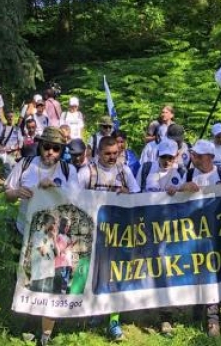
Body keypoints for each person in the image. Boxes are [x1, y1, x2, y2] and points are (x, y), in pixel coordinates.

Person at [5, 126, 78, 346]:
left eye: (56, 149)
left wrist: (54, 187)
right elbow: (6, 193)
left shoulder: (67, 171)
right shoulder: (26, 165)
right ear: (40, 146)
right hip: (25, 233)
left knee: (53, 282)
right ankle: (28, 321)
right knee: (28, 280)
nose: (51, 153)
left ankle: (45, 334)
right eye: (47, 147)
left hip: (55, 240)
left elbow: (76, 201)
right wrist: (17, 193)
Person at [78, 136, 139, 341]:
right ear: (98, 153)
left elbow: (140, 197)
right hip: (92, 232)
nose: (113, 157)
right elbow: (71, 196)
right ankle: (94, 310)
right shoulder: (87, 172)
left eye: (116, 153)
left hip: (118, 233)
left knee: (116, 274)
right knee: (93, 273)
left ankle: (114, 320)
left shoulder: (125, 171)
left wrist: (128, 192)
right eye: (108, 154)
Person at [172, 140, 221, 337]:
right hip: (193, 235)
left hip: (217, 236)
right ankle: (197, 309)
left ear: (210, 157)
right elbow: (172, 197)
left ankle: (213, 318)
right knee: (196, 269)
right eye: (194, 155)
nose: (195, 159)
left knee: (214, 274)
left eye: (199, 156)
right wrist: (182, 188)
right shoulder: (189, 174)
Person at [0, 111, 23, 175]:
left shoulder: (17, 129)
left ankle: (1, 172)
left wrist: (17, 150)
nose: (10, 118)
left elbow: (20, 141)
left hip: (13, 152)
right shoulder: (2, 127)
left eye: (11, 116)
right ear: (6, 118)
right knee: (9, 166)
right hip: (4, 152)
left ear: (14, 117)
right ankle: (5, 176)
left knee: (14, 167)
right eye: (8, 117)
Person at [53, 217, 75, 294]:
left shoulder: (68, 237)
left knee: (65, 281)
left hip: (68, 262)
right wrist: (69, 246)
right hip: (61, 263)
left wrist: (71, 245)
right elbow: (60, 251)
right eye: (66, 226)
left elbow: (69, 251)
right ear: (62, 226)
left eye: (68, 226)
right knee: (62, 281)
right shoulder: (59, 237)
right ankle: (60, 296)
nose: (67, 228)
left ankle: (63, 295)